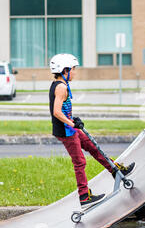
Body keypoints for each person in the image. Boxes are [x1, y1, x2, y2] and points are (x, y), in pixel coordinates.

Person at [49, 53, 135, 209]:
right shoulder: (61, 87)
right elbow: (56, 112)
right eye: (73, 69)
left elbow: (63, 109)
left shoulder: (60, 84)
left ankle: (114, 169)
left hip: (69, 127)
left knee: (93, 147)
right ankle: (84, 196)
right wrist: (71, 123)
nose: (75, 72)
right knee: (79, 162)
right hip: (66, 131)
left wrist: (73, 119)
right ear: (65, 70)